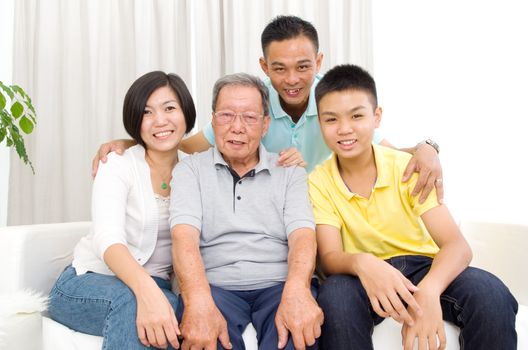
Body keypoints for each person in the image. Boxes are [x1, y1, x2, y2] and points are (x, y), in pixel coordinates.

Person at [92, 15, 444, 204]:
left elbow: (386, 150)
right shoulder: (249, 109)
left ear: (318, 61)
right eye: (279, 68)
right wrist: (129, 142)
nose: (292, 79)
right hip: (275, 217)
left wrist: (427, 148)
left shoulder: (334, 101)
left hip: (329, 215)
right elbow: (179, 144)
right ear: (264, 66)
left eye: (303, 66)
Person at [308, 64, 518, 350]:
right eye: (331, 119)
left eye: (357, 116)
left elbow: (457, 246)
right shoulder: (318, 181)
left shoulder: (407, 168)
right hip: (361, 276)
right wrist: (363, 262)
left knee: (491, 295)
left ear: (376, 116)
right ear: (319, 123)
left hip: (421, 266)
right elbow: (330, 257)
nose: (345, 129)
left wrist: (429, 291)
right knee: (335, 298)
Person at [169, 73, 323, 350]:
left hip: (278, 284)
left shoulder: (289, 170)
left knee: (296, 339)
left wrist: (298, 288)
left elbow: (303, 236)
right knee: (203, 340)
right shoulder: (189, 170)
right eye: (226, 115)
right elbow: (184, 239)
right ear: (213, 120)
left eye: (250, 118)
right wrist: (197, 299)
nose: (237, 127)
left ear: (265, 125)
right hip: (216, 286)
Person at [48, 71, 196, 349]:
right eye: (146, 112)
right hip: (87, 284)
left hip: (159, 289)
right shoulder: (117, 164)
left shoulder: (196, 170)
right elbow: (109, 240)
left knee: (177, 311)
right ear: (135, 121)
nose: (160, 120)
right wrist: (148, 292)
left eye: (170, 108)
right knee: (134, 304)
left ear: (186, 112)